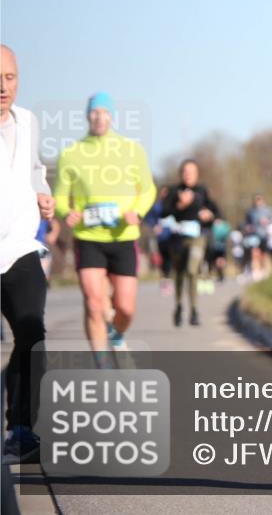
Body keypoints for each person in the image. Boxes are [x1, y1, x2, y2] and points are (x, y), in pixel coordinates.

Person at [54, 91, 156, 366]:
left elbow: (148, 190)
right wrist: (66, 212)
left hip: (123, 236)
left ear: (112, 116)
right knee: (94, 302)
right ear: (88, 116)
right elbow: (60, 196)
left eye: (105, 112)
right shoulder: (71, 154)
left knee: (125, 307)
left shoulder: (132, 150)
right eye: (95, 112)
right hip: (88, 237)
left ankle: (117, 334)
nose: (99, 118)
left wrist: (138, 211)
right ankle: (102, 364)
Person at [1, 44, 54, 463]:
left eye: (10, 77)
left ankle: (21, 428)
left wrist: (43, 194)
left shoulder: (28, 121)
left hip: (19, 246)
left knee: (32, 331)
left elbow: (35, 169)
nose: (3, 87)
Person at [163, 159, 220, 327]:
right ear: (181, 173)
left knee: (192, 270)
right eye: (185, 172)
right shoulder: (174, 191)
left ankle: (194, 309)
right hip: (177, 239)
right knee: (179, 273)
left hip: (197, 237)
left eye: (191, 172)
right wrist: (180, 205)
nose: (188, 175)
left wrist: (209, 216)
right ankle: (179, 306)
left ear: (197, 174)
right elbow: (163, 212)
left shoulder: (202, 191)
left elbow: (215, 212)